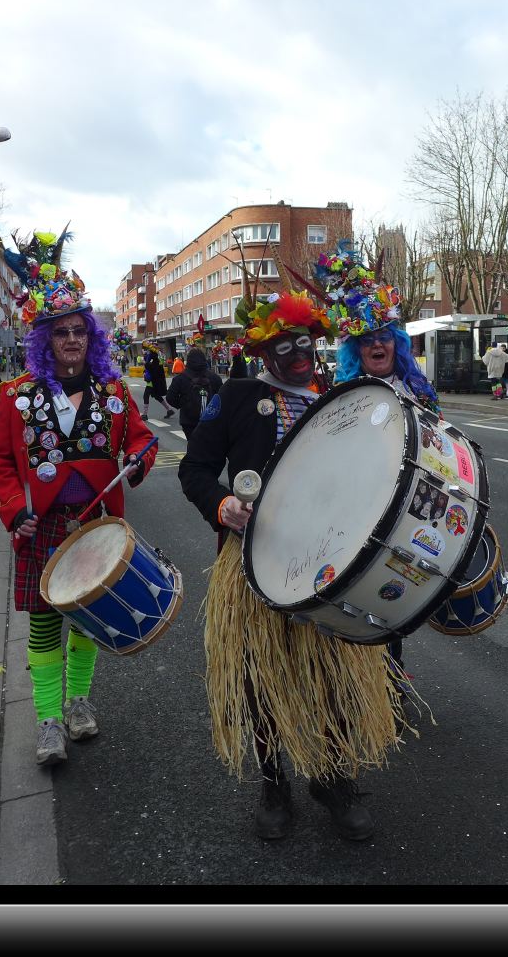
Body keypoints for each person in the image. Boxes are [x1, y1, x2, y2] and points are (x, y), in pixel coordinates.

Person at [178, 286, 400, 843]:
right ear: (262, 351)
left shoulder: (340, 396)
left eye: (305, 343)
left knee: (335, 673)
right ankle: (274, 783)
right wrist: (222, 505)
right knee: (261, 676)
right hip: (256, 563)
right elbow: (194, 469)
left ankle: (333, 777)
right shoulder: (236, 397)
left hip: (334, 563)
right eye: (284, 345)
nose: (298, 354)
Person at [0, 229, 157, 766]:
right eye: (62, 332)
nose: (73, 339)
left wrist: (138, 460)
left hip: (94, 524)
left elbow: (142, 438)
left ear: (92, 337)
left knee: (86, 619)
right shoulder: (16, 397)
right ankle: (48, 721)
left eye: (80, 330)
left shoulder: (112, 392)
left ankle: (79, 703)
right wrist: (15, 511)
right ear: (45, 339)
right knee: (43, 625)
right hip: (42, 526)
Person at [311, 241, 441, 701]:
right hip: (355, 509)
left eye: (384, 335)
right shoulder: (342, 394)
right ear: (355, 348)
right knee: (354, 593)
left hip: (407, 505)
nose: (377, 345)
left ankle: (391, 674)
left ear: (396, 342)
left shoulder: (416, 387)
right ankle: (356, 683)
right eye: (367, 339)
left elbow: (439, 440)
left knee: (395, 589)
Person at [165, 346, 223, 440]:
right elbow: (222, 398)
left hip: (189, 421)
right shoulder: (214, 378)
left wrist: (183, 404)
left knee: (193, 444)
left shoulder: (180, 378)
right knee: (209, 445)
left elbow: (170, 397)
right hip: (210, 419)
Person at [140, 347, 173, 419]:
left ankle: (145, 414)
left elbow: (149, 368)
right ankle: (169, 410)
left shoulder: (152, 364)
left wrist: (146, 363)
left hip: (151, 384)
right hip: (156, 384)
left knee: (146, 396)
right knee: (157, 397)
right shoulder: (158, 363)